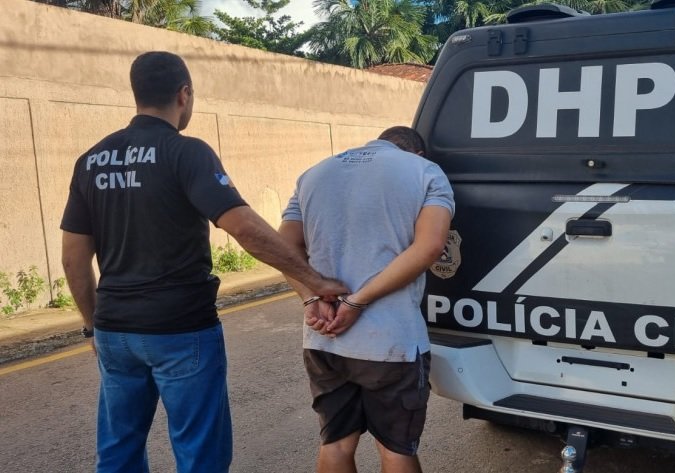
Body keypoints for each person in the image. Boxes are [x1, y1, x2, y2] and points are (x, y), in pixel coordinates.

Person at [60, 51, 346, 473]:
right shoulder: (186, 152)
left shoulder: (91, 160)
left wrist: (93, 325)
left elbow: (73, 258)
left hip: (115, 332)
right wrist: (314, 280)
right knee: (200, 455)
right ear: (184, 94)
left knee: (118, 450)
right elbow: (245, 228)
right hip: (180, 328)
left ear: (137, 93)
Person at [279, 126, 454, 473]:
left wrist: (311, 296)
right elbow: (431, 246)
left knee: (336, 444)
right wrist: (357, 302)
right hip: (391, 343)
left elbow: (283, 247)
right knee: (395, 449)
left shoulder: (313, 174)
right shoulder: (425, 172)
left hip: (324, 337)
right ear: (417, 153)